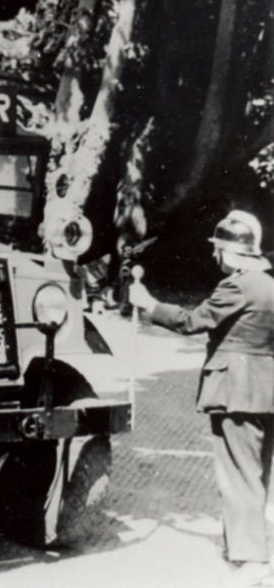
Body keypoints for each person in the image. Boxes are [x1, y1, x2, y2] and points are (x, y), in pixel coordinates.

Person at [130, 210, 274, 588]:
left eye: (218, 248)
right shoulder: (269, 284)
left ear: (232, 252)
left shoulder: (237, 286)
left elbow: (191, 321)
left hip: (236, 391)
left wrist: (148, 303)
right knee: (256, 474)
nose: (214, 255)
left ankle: (252, 561)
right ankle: (246, 549)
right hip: (266, 392)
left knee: (238, 477)